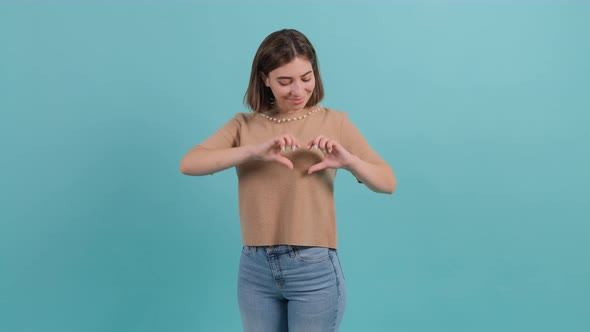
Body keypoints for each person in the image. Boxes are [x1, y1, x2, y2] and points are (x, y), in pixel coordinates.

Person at [180, 29, 396, 332]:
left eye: (306, 78)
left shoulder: (335, 122)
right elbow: (189, 163)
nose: (298, 90)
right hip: (254, 270)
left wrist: (349, 162)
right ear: (265, 78)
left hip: (313, 269)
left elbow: (387, 182)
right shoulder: (244, 125)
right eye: (285, 81)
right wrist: (254, 151)